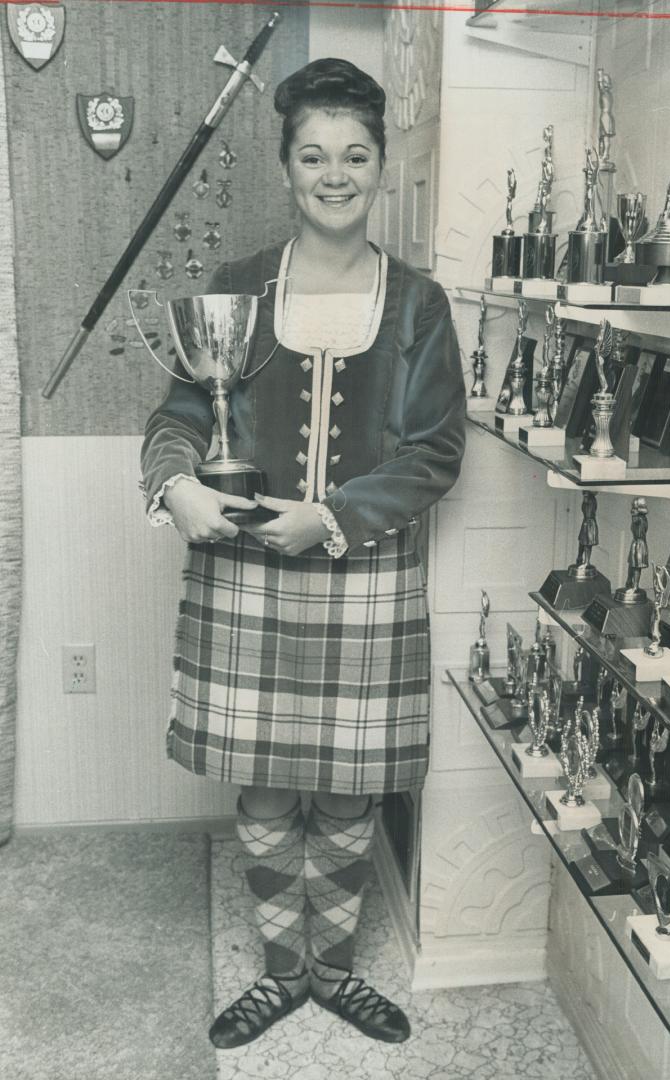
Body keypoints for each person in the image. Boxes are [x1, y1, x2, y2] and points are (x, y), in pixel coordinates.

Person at [140, 58, 465, 1051]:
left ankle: (333, 969)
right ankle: (284, 972)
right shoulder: (236, 289)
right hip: (245, 576)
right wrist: (178, 483)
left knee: (346, 787)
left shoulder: (417, 305)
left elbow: (433, 453)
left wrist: (325, 519)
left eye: (354, 156)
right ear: (284, 167)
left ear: (376, 165)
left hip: (362, 575)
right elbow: (180, 417)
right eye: (313, 155)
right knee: (269, 783)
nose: (335, 174)